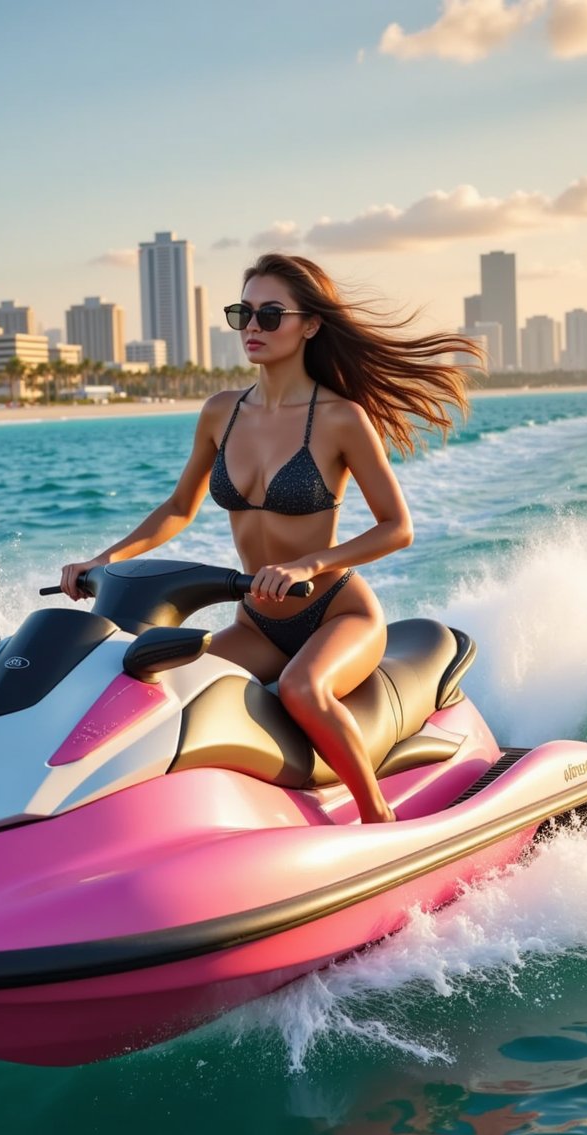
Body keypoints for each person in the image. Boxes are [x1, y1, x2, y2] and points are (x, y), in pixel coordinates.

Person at [61, 253, 480, 824]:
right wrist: (103, 561)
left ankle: (377, 819)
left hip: (336, 612)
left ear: (309, 324)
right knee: (163, 690)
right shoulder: (220, 413)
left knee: (303, 690)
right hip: (257, 620)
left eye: (270, 313)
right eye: (244, 313)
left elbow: (396, 527)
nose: (253, 327)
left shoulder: (340, 418)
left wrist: (310, 564)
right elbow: (178, 508)